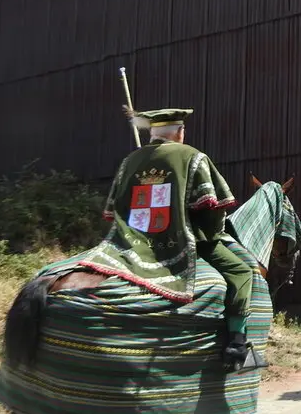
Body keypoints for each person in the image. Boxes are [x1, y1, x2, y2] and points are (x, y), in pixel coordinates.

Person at [79, 108, 250, 368]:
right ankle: (236, 341)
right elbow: (214, 207)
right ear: (180, 132)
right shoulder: (193, 156)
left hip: (129, 241)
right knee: (242, 271)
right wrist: (211, 236)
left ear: (153, 133)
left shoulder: (130, 160)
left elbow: (113, 210)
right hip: (181, 240)